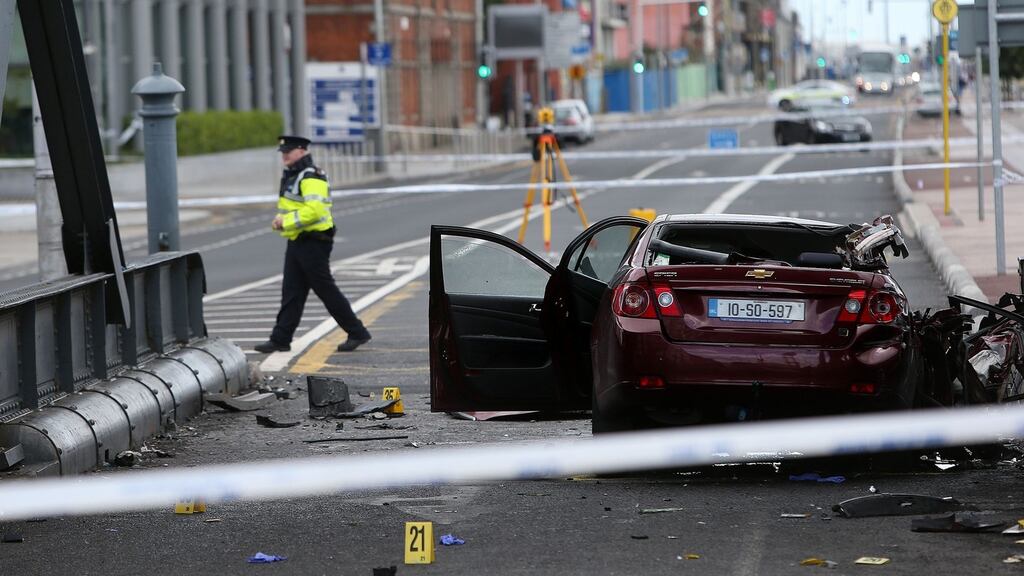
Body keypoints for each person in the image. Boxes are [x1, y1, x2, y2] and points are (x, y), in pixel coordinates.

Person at [254, 136, 372, 354]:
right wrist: (282, 221)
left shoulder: (311, 176)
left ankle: (357, 332)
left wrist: (285, 221)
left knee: (325, 290)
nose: (284, 155)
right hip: (299, 240)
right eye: (282, 151)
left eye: (288, 150)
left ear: (302, 151)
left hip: (314, 241)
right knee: (292, 291)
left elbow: (315, 210)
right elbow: (295, 207)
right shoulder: (295, 175)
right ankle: (280, 338)